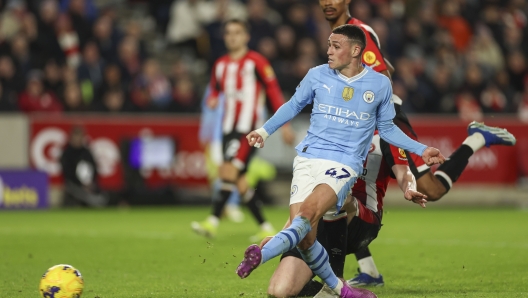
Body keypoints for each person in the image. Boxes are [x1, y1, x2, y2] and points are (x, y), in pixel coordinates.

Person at [235, 24, 445, 298]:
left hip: (343, 165)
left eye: (336, 46)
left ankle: (262, 254)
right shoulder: (317, 75)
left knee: (307, 215)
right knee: (289, 271)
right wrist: (264, 131)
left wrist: (422, 148)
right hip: (308, 159)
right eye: (328, 45)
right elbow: (293, 105)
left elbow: (390, 129)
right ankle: (341, 291)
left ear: (356, 50)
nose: (328, 51)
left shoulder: (379, 85)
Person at [319, 0, 517, 287]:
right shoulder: (339, 37)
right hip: (362, 124)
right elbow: (382, 66)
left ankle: (476, 138)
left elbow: (383, 78)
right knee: (350, 188)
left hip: (385, 123)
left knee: (430, 190)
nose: (327, 2)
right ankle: (369, 270)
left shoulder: (358, 31)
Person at [266, 130, 427, 298]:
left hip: (362, 220)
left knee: (339, 197)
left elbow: (404, 172)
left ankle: (336, 283)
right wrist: (284, 234)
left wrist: (409, 188)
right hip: (319, 221)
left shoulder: (387, 135)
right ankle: (325, 290)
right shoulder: (329, 131)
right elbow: (306, 198)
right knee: (279, 290)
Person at [191, 19, 294, 241]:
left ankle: (212, 221)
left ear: (246, 36)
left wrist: (285, 124)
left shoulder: (257, 62)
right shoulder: (220, 65)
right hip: (228, 129)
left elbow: (274, 93)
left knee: (226, 172)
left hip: (249, 130)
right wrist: (211, 99)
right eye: (228, 33)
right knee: (240, 181)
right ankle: (266, 227)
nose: (232, 37)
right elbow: (214, 90)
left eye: (237, 33)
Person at [60, 126, 107, 207]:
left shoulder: (87, 153)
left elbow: (94, 169)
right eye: (76, 137)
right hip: (74, 187)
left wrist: (91, 184)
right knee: (90, 199)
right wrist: (81, 185)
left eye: (80, 137)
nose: (78, 139)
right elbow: (68, 174)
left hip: (89, 185)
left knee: (105, 196)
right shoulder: (67, 154)